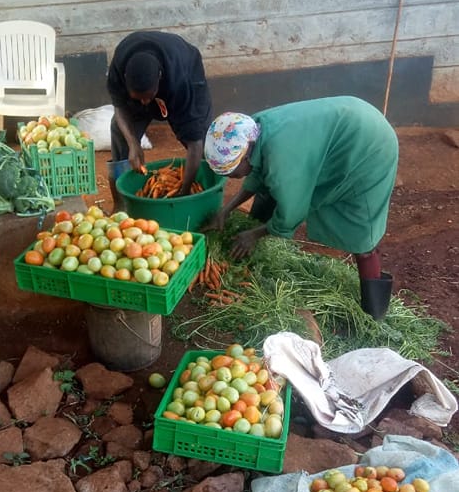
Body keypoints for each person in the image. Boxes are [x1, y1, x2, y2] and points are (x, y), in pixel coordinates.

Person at [203, 97, 399, 320]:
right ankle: (251, 256)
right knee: (276, 189)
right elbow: (257, 174)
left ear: (244, 155)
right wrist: (226, 210)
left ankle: (374, 314)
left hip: (369, 147)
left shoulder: (281, 160)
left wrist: (254, 235)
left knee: (362, 230)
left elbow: (290, 213)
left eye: (232, 172)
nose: (233, 178)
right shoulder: (251, 130)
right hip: (348, 124)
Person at [106, 31, 213, 208]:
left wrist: (182, 193)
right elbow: (120, 107)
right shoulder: (119, 66)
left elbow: (194, 141)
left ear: (160, 78)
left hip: (187, 72)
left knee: (201, 138)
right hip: (146, 80)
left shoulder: (181, 83)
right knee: (119, 131)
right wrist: (133, 144)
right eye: (138, 98)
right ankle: (121, 204)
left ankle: (203, 196)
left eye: (149, 97)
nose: (145, 103)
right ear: (126, 80)